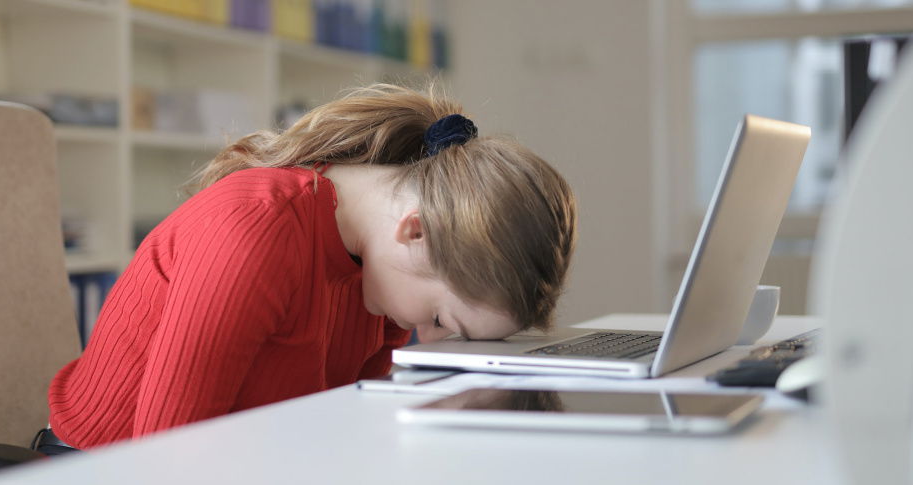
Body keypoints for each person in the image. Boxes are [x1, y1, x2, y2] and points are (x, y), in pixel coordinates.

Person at [47, 84, 578, 449]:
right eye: (443, 321)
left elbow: (339, 425)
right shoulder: (255, 229)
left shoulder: (382, 271)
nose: (431, 340)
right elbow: (167, 457)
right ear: (415, 231)